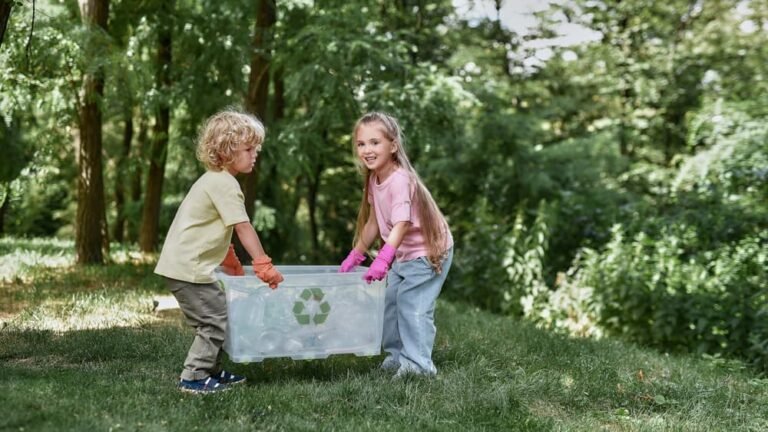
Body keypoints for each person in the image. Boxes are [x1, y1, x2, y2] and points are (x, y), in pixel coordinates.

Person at [154, 108, 284, 394]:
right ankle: (194, 376)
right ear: (227, 150)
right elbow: (242, 227)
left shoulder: (213, 180)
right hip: (189, 269)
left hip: (185, 264)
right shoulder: (225, 184)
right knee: (213, 321)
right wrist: (262, 264)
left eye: (256, 149)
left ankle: (210, 369)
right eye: (248, 149)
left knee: (218, 314)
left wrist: (231, 260)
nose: (255, 154)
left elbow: (210, 229)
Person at [338, 111, 454, 377]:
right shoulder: (374, 178)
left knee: (412, 306)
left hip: (428, 253)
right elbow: (373, 222)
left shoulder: (400, 180)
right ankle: (398, 356)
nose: (367, 150)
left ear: (393, 145)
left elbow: (401, 224)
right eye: (361, 144)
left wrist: (382, 259)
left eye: (375, 142)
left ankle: (418, 366)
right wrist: (355, 255)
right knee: (389, 303)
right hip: (404, 254)